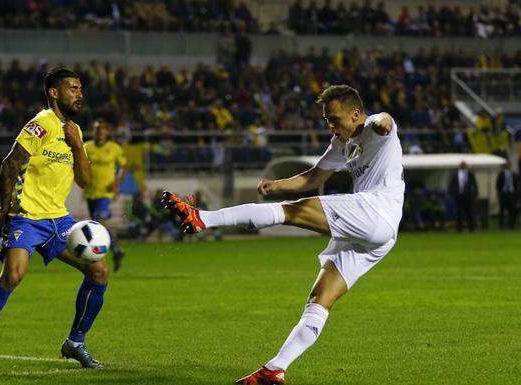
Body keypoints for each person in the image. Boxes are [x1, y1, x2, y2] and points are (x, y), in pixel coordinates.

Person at [163, 85, 404, 385]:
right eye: (326, 119)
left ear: (356, 113)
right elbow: (314, 176)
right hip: (378, 235)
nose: (330, 124)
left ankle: (203, 218)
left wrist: (383, 122)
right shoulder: (341, 142)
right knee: (319, 298)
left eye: (335, 118)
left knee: (291, 212)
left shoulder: (375, 126)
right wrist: (276, 185)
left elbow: (386, 121)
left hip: (376, 210)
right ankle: (275, 369)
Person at [0, 67, 109, 375]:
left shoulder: (75, 131)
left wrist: (78, 145)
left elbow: (84, 181)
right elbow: (10, 163)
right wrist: (6, 206)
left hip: (59, 219)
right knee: (12, 276)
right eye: (72, 88)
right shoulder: (41, 124)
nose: (79, 94)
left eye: (80, 88)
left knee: (99, 271)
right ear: (54, 93)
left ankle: (75, 343)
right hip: (26, 217)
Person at [84, 119, 129, 271]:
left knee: (99, 222)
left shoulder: (114, 148)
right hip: (91, 192)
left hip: (106, 193)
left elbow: (124, 166)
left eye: (102, 129)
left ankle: (96, 256)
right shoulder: (87, 147)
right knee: (98, 225)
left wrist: (117, 184)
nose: (99, 132)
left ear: (107, 132)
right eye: (97, 129)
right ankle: (116, 250)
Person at [448, 161, 478, 232]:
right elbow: (452, 185)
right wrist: (451, 193)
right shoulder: (456, 174)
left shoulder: (470, 174)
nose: (463, 167)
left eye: (464, 166)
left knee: (469, 212)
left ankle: (471, 228)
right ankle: (459, 228)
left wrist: (475, 193)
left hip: (468, 195)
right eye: (462, 165)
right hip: (459, 195)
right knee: (459, 212)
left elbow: (474, 184)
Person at [496, 161, 519, 229]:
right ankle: (501, 224)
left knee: (512, 209)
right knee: (502, 209)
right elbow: (498, 184)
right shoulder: (501, 174)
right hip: (504, 193)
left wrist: (515, 193)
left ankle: (511, 224)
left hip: (511, 193)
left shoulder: (513, 174)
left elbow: (515, 184)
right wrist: (499, 193)